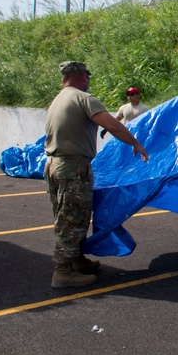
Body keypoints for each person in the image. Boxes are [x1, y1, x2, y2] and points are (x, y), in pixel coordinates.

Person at [45, 61, 149, 289]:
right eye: (87, 77)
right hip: (72, 168)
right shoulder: (83, 99)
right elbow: (113, 125)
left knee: (69, 216)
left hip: (55, 165)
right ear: (82, 76)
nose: (88, 82)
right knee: (71, 220)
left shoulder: (59, 99)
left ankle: (75, 261)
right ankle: (63, 272)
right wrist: (136, 144)